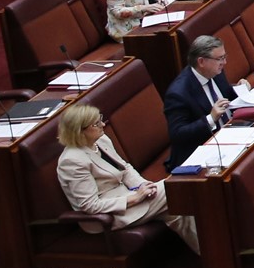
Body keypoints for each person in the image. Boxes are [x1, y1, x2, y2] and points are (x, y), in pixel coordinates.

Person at [57, 103, 199, 252]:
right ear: (80, 131)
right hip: (112, 214)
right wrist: (134, 198)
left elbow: (124, 168)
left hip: (130, 194)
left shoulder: (101, 140)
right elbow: (90, 205)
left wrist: (143, 185)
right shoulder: (72, 161)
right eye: (96, 123)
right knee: (178, 188)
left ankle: (213, 259)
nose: (103, 124)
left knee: (178, 212)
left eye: (100, 119)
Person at [163, 35, 237, 167]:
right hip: (201, 151)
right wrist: (211, 118)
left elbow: (229, 97)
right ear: (201, 62)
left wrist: (241, 90)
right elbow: (178, 135)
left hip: (231, 135)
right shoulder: (178, 93)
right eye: (220, 58)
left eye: (225, 57)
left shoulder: (216, 72)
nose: (224, 63)